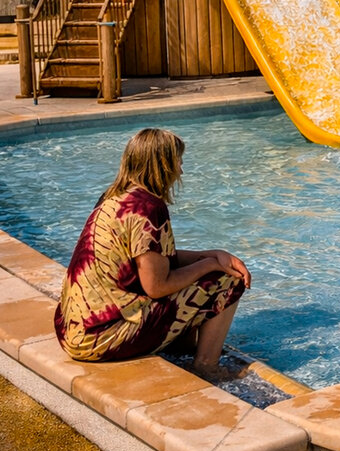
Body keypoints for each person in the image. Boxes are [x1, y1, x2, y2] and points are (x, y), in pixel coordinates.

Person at [53, 128, 251, 379]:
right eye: (177, 161)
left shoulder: (114, 197)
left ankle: (181, 344)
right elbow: (156, 285)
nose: (181, 169)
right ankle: (206, 366)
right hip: (103, 338)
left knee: (196, 276)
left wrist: (211, 254)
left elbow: (147, 261)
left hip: (75, 331)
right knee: (228, 281)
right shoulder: (148, 208)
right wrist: (210, 265)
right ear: (162, 165)